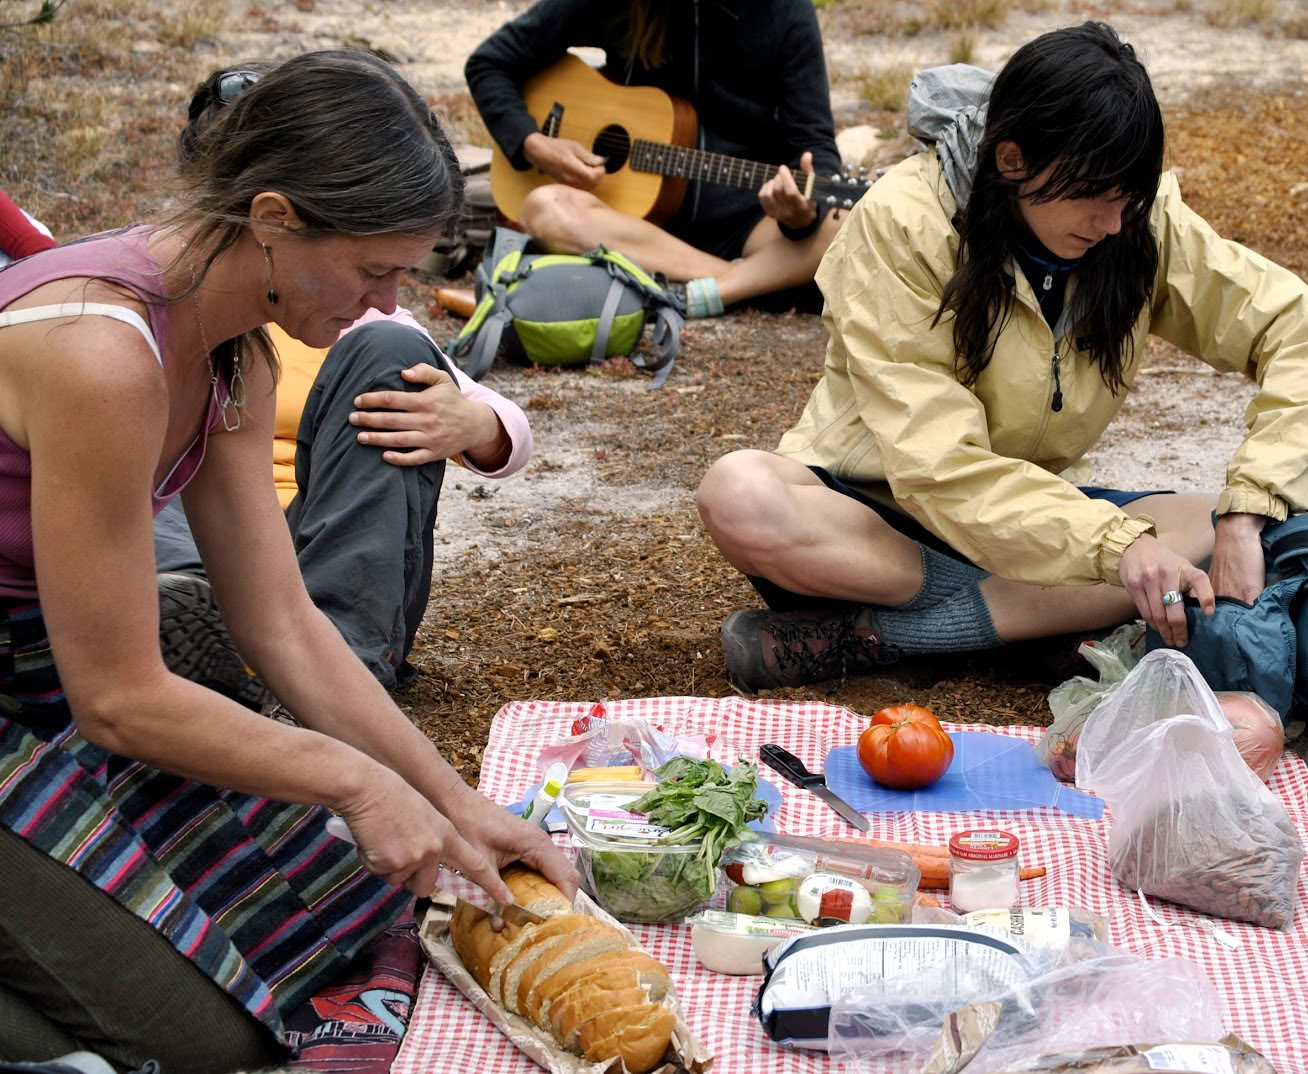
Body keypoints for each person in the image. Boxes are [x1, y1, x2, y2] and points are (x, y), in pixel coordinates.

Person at [0, 51, 577, 1073]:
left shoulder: (236, 347)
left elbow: (281, 623)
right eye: (372, 270)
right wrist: (351, 780)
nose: (384, 302)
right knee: (200, 1038)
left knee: (344, 904)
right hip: (61, 692)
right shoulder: (100, 352)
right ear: (272, 216)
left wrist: (456, 802)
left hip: (43, 671)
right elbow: (121, 701)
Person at [695, 23, 1308, 692]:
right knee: (742, 495)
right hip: (875, 518)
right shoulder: (904, 222)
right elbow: (939, 469)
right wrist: (1115, 547)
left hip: (1036, 522)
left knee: (1217, 528)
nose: (1113, 224)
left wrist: (1249, 510)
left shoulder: (1133, 218)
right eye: (1095, 196)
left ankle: (892, 637)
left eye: (1128, 199)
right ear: (1011, 160)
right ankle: (1024, 622)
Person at [153, 64, 535, 702]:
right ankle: (198, 633)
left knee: (394, 352)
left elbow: (505, 428)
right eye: (372, 270)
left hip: (316, 550)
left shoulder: (364, 320)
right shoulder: (174, 312)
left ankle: (335, 674)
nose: (381, 296)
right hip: (198, 547)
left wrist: (476, 425)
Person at [465, 0, 846, 319]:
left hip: (747, 222)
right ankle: (744, 282)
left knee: (846, 221)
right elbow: (490, 63)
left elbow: (814, 142)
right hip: (633, 224)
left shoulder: (784, 9)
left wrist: (803, 213)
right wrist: (534, 144)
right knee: (544, 208)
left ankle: (704, 288)